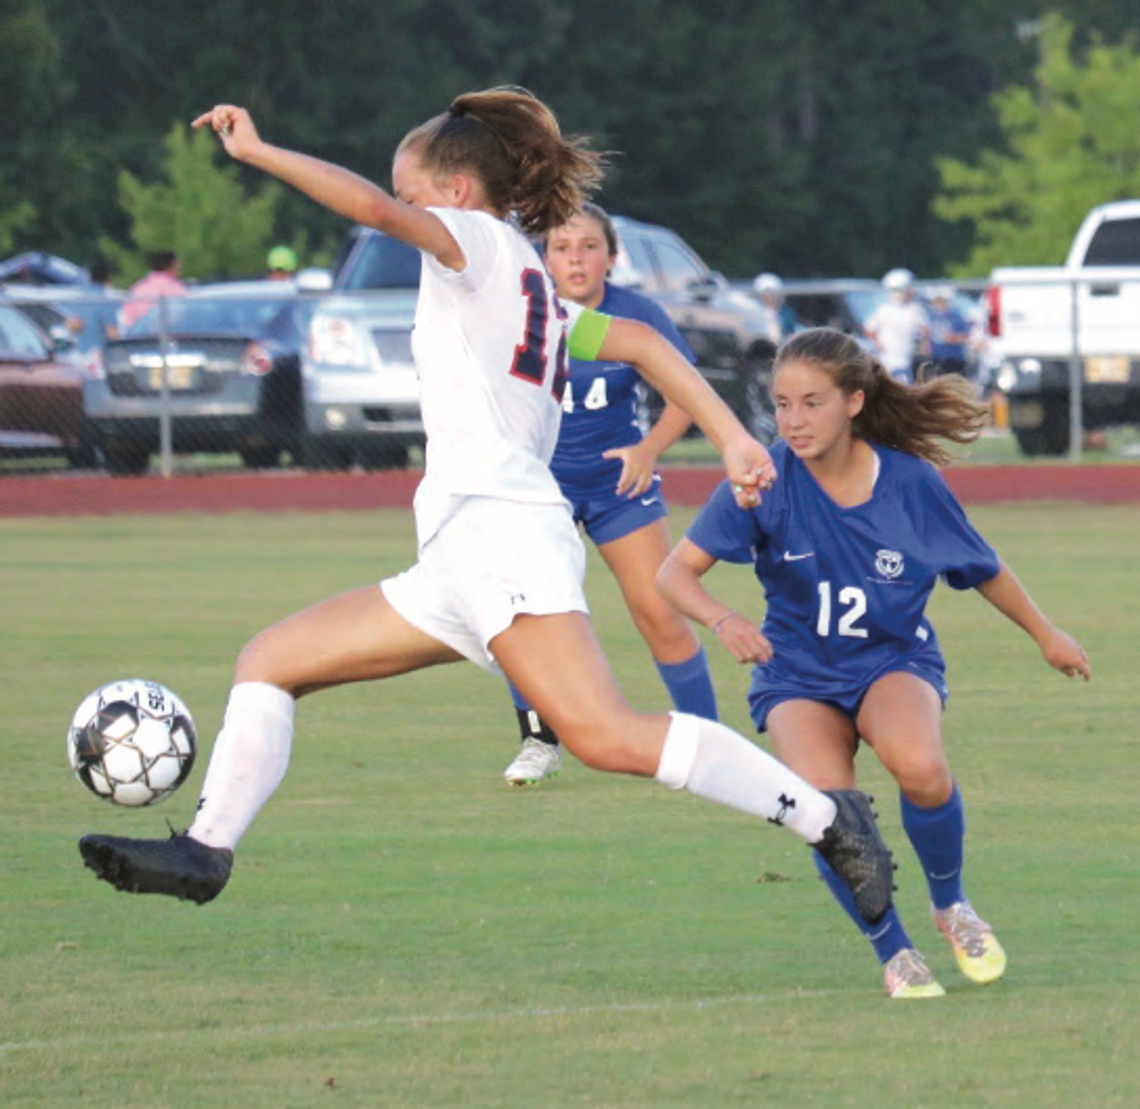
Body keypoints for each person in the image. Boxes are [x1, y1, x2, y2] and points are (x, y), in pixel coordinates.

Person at [77, 88, 895, 932]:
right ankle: (206, 851)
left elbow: (365, 208)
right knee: (270, 659)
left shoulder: (475, 242)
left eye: (412, 193)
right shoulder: (525, 278)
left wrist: (260, 153)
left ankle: (830, 820)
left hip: (501, 531)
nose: (401, 210)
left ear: (459, 193)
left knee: (607, 736)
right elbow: (644, 343)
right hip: (457, 554)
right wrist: (729, 437)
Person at [658, 326, 1091, 999]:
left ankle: (952, 905)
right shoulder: (761, 481)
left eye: (812, 402)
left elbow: (983, 567)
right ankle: (894, 951)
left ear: (854, 401)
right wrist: (724, 617)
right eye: (782, 404)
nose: (793, 420)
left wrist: (1046, 633)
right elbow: (674, 573)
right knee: (829, 815)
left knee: (920, 767)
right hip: (798, 675)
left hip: (892, 659)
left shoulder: (911, 483)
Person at [502, 201, 717, 786]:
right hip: (540, 486)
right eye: (563, 247)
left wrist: (647, 451)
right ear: (543, 258)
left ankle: (708, 742)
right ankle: (539, 742)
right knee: (525, 610)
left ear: (612, 257)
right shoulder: (525, 313)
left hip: (619, 484)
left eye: (589, 246)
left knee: (659, 608)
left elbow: (688, 394)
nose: (576, 258)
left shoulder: (638, 315)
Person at [863, 268, 928, 384]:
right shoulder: (885, 310)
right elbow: (869, 328)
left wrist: (923, 343)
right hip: (888, 356)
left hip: (905, 355)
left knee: (904, 383)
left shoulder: (914, 309)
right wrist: (879, 344)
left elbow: (924, 328)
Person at [120, 250, 187, 331]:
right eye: (177, 265)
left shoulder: (136, 288)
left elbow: (127, 321)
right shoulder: (176, 288)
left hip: (137, 339)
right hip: (169, 338)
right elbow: (182, 319)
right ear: (172, 266)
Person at [926, 286, 972, 379]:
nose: (939, 304)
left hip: (954, 359)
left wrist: (953, 338)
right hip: (936, 358)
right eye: (937, 301)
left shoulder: (956, 316)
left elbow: (966, 337)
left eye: (942, 301)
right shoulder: (929, 316)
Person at [753, 272, 799, 346]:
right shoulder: (753, 312)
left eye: (772, 294)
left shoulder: (786, 313)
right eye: (765, 295)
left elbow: (791, 332)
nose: (769, 298)